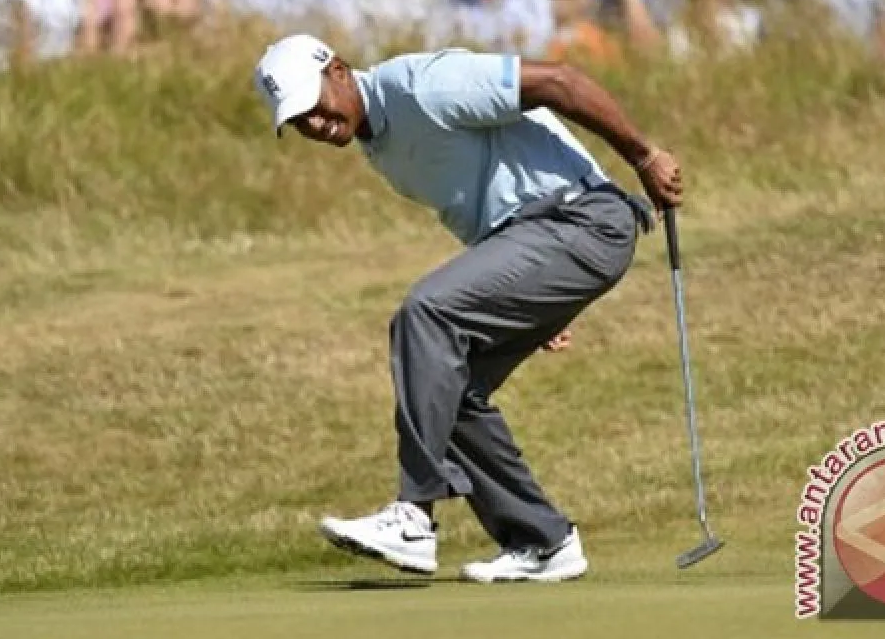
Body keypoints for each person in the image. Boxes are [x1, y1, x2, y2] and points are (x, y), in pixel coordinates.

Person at [251, 32, 682, 582]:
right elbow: (487, 214)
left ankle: (414, 515)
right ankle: (542, 540)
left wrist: (643, 156)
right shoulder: (380, 147)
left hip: (581, 219)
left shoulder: (422, 87)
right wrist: (526, 293)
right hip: (540, 242)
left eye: (315, 106)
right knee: (446, 388)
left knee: (424, 313)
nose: (315, 124)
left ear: (337, 70)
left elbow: (562, 82)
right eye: (299, 122)